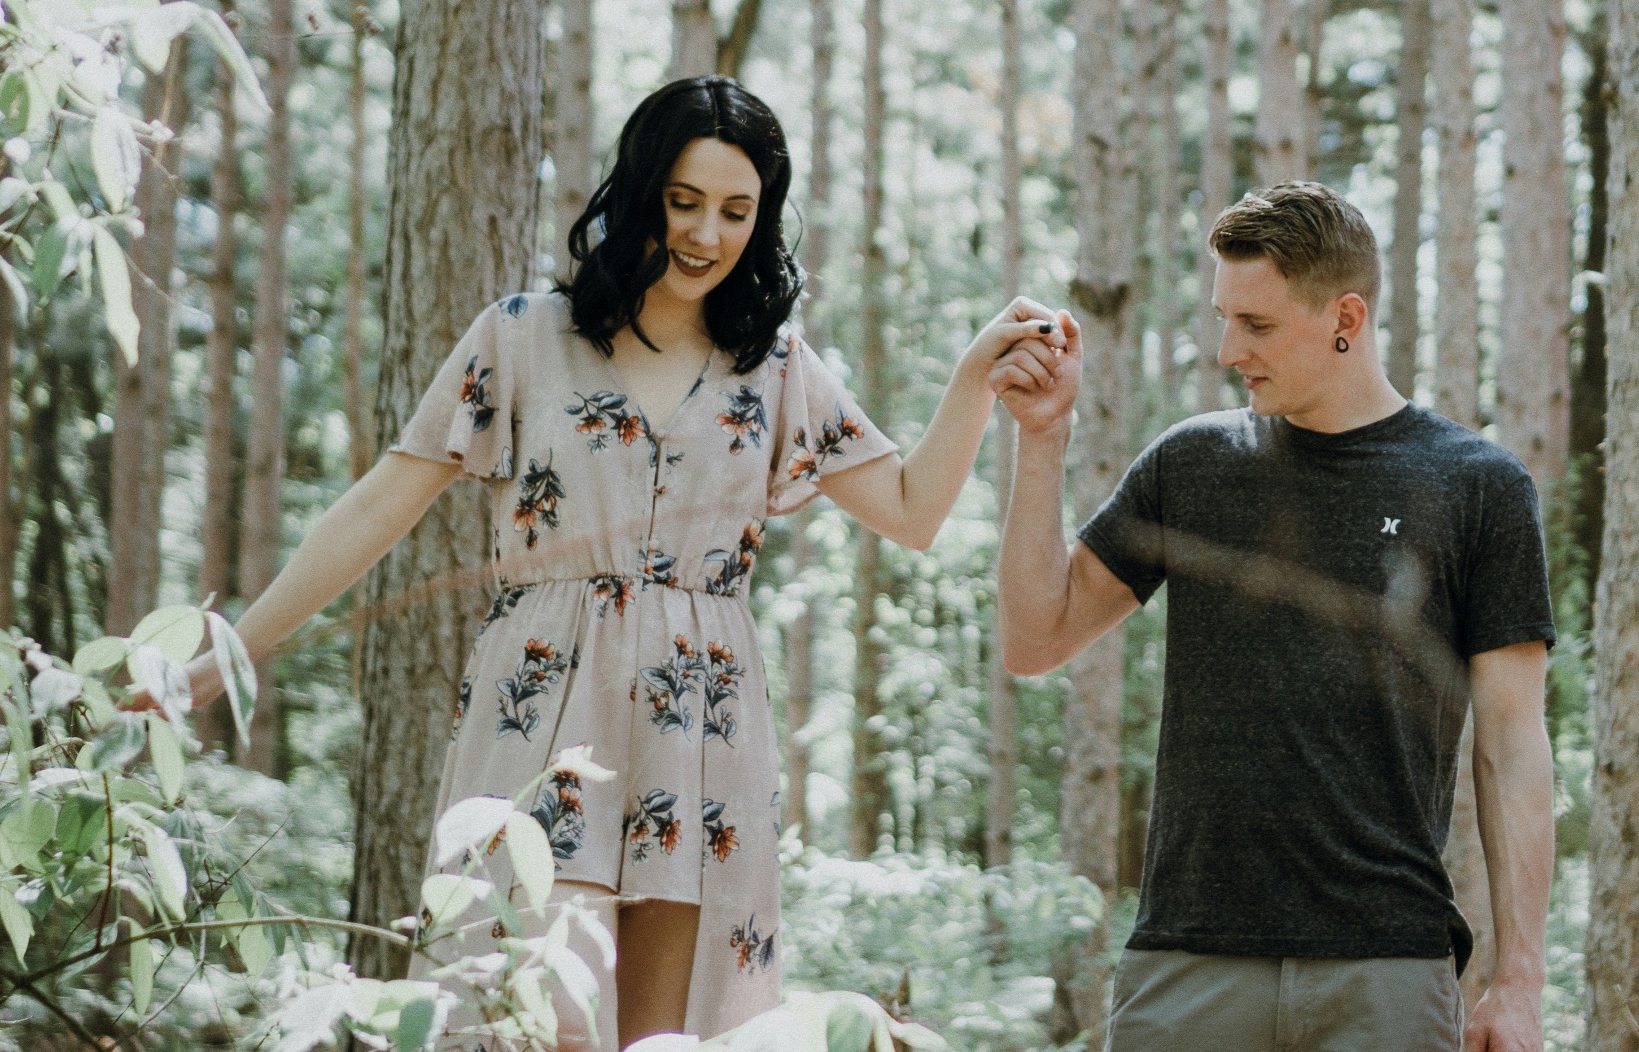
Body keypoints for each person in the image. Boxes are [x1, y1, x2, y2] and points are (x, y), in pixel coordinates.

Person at [154, 76, 1064, 1049]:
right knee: (541, 1017)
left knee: (664, 1043)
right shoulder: (522, 337)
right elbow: (380, 502)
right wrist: (227, 656)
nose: (706, 235)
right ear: (638, 190)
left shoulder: (779, 368)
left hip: (702, 732)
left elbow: (915, 510)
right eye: (683, 201)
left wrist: (975, 379)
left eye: (735, 211)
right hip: (546, 718)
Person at [989, 181, 1556, 1052]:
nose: (1226, 349)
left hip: (1385, 972)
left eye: (1255, 325)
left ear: (1347, 317)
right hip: (1187, 964)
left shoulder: (1478, 486)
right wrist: (1041, 440)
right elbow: (1035, 640)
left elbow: (1512, 749)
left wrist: (1519, 978)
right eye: (1223, 317)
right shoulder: (1193, 463)